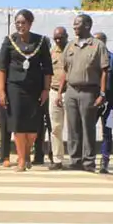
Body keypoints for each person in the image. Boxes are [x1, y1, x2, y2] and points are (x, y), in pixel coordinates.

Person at [0, 9, 53, 172]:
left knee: (33, 127)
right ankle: (22, 159)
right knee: (18, 124)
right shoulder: (9, 41)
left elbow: (47, 68)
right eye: (18, 23)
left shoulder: (40, 41)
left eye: (23, 23)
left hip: (35, 88)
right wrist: (1, 91)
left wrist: (45, 89)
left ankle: (27, 153)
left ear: (30, 23)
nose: (20, 26)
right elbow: (2, 68)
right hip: (14, 87)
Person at [56, 14, 109, 172]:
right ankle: (75, 160)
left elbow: (104, 71)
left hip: (89, 91)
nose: (74, 26)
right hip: (71, 91)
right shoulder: (70, 46)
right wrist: (60, 93)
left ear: (87, 25)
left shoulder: (98, 45)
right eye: (74, 24)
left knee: (88, 127)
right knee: (73, 127)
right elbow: (65, 71)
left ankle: (88, 161)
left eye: (77, 24)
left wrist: (102, 94)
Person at [94, 31, 113, 174]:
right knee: (88, 130)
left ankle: (104, 161)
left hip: (110, 101)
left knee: (107, 132)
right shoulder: (91, 59)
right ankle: (88, 158)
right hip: (94, 101)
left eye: (100, 41)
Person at [47, 26, 68, 170]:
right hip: (54, 92)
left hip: (70, 91)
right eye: (56, 38)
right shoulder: (51, 52)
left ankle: (76, 159)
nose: (58, 40)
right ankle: (57, 159)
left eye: (61, 37)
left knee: (74, 128)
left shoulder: (72, 50)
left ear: (67, 36)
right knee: (55, 127)